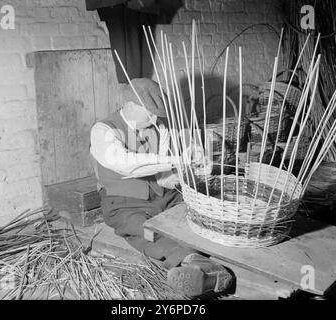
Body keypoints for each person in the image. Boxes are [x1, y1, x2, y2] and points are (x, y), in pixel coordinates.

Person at [90, 78, 233, 297]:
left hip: (164, 197)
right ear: (130, 104)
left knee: (195, 217)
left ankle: (205, 270)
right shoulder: (104, 130)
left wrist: (196, 169)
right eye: (150, 112)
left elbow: (166, 178)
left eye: (158, 113)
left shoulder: (158, 126)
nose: (156, 118)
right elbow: (125, 164)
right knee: (146, 232)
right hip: (124, 205)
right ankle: (194, 264)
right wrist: (175, 161)